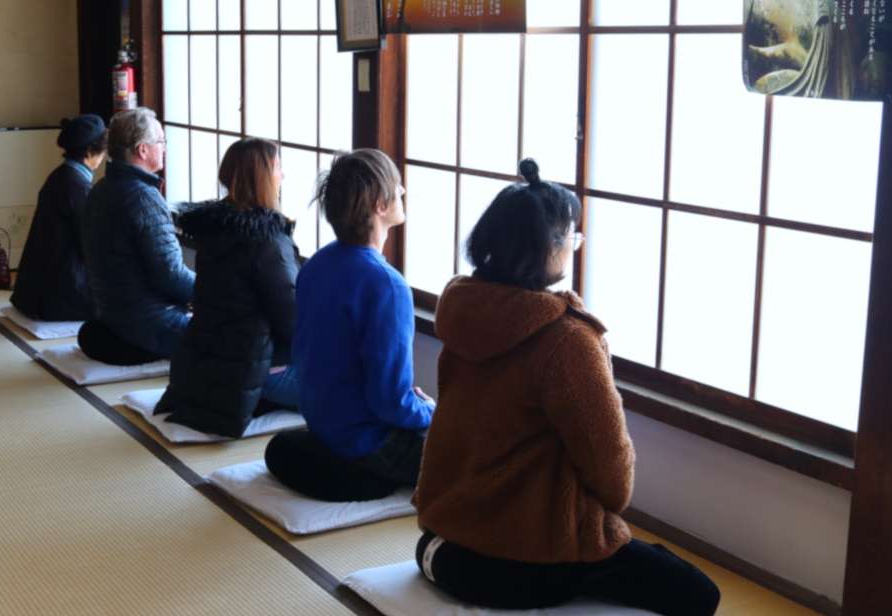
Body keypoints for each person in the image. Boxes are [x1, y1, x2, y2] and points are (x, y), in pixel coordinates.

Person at [412, 159, 719, 615]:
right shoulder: (566, 340)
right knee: (699, 593)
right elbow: (612, 475)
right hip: (528, 561)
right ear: (548, 247)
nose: (575, 248)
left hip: (446, 540)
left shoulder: (464, 312)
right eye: (572, 237)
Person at [264, 148, 435, 502]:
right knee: (470, 449)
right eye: (397, 187)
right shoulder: (386, 284)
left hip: (326, 426)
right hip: (366, 440)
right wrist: (431, 412)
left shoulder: (317, 264)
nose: (403, 191)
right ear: (379, 205)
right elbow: (390, 402)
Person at [154, 138, 300, 438]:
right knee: (351, 390)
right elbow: (292, 324)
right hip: (256, 368)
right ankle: (264, 396)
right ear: (263, 177)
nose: (283, 176)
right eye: (278, 168)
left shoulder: (215, 230)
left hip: (206, 364)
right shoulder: (268, 242)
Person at [78, 107, 195, 365]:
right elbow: (171, 275)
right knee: (241, 337)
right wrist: (214, 293)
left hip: (111, 317)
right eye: (161, 142)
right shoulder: (144, 198)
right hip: (151, 325)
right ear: (143, 150)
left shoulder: (100, 190)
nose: (164, 147)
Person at [9, 114, 105, 321]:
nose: (103, 158)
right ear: (90, 152)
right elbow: (87, 245)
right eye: (101, 152)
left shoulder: (60, 176)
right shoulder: (77, 186)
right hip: (60, 291)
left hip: (35, 288)